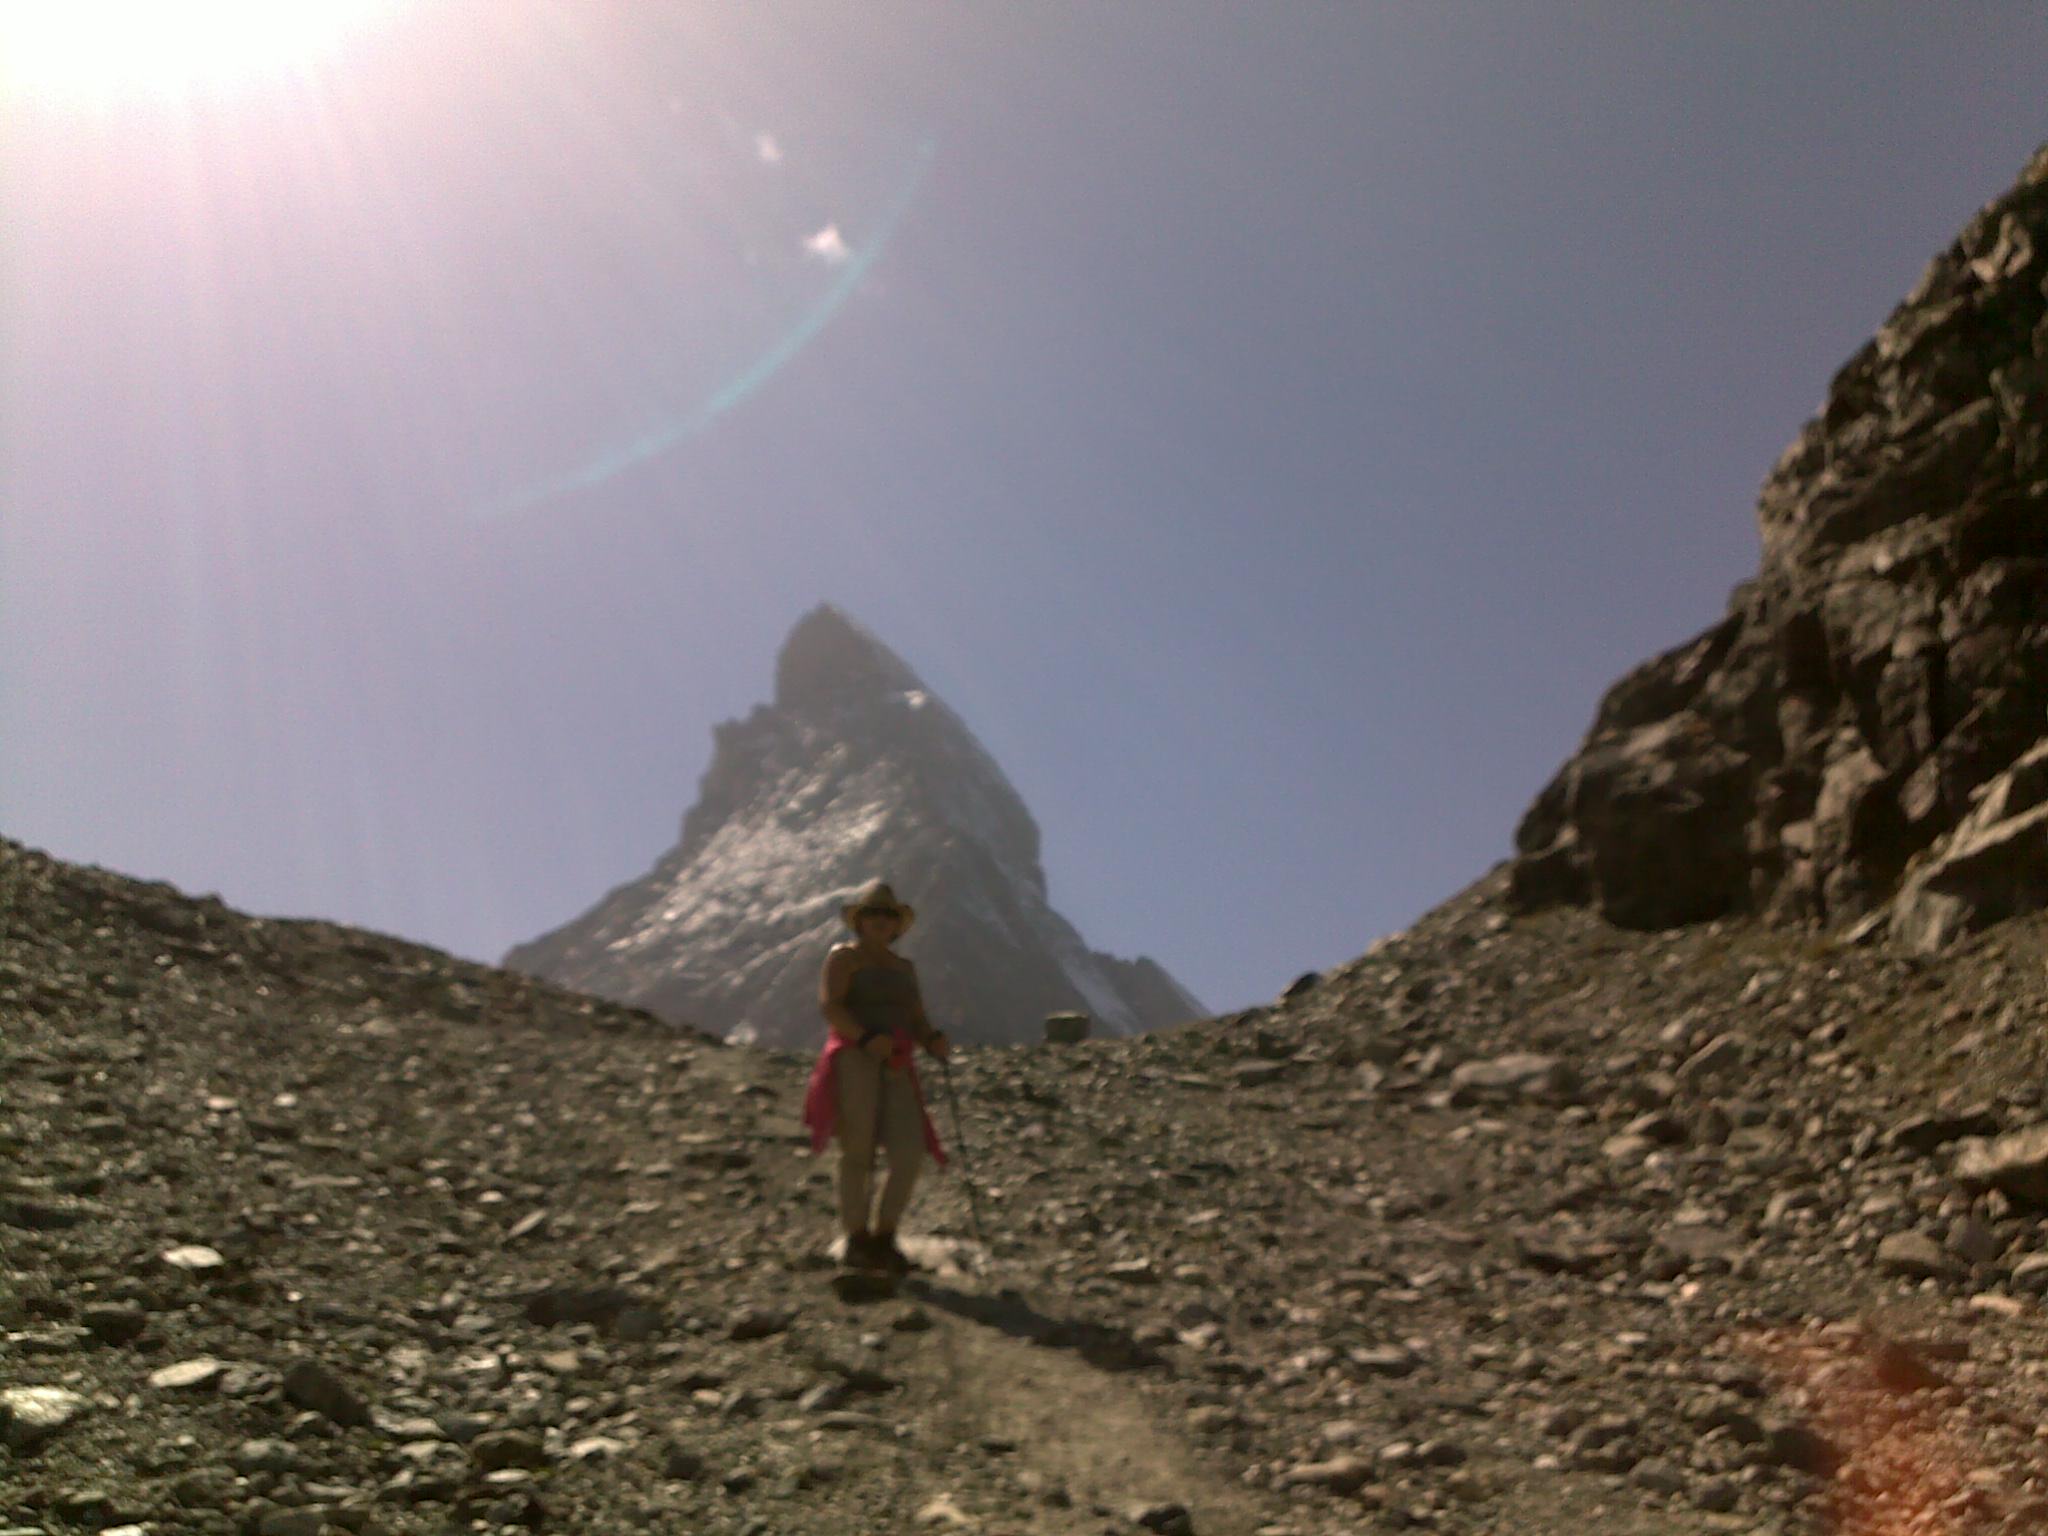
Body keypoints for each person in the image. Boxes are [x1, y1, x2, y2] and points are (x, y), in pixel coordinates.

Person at [801, 880, 951, 1273]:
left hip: (897, 1060)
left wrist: (931, 1038)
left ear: (896, 924)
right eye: (873, 914)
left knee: (908, 1150)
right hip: (854, 1057)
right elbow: (831, 1007)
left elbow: (915, 1018)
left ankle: (885, 1234)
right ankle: (857, 1237)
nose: (881, 922)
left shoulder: (905, 968)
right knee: (858, 1149)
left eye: (888, 915)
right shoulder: (842, 958)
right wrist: (866, 1038)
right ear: (860, 921)